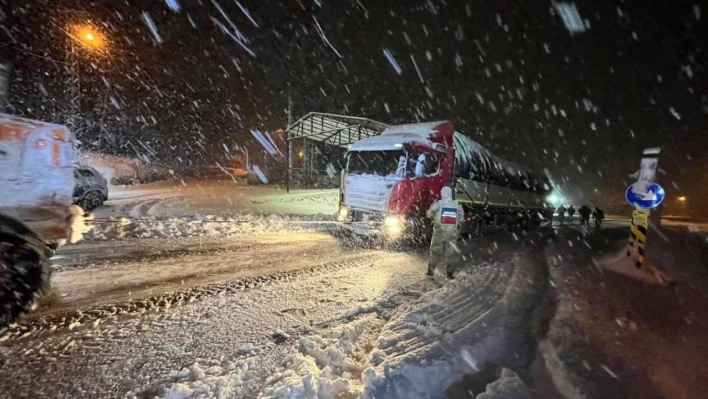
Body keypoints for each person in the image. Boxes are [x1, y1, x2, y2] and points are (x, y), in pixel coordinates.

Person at [426, 186, 464, 279]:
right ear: (450, 194)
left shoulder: (438, 204)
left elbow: (428, 215)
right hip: (452, 233)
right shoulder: (457, 205)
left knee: (435, 251)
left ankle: (430, 271)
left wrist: (432, 209)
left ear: (442, 194)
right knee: (451, 253)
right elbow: (461, 219)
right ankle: (450, 273)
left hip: (439, 232)